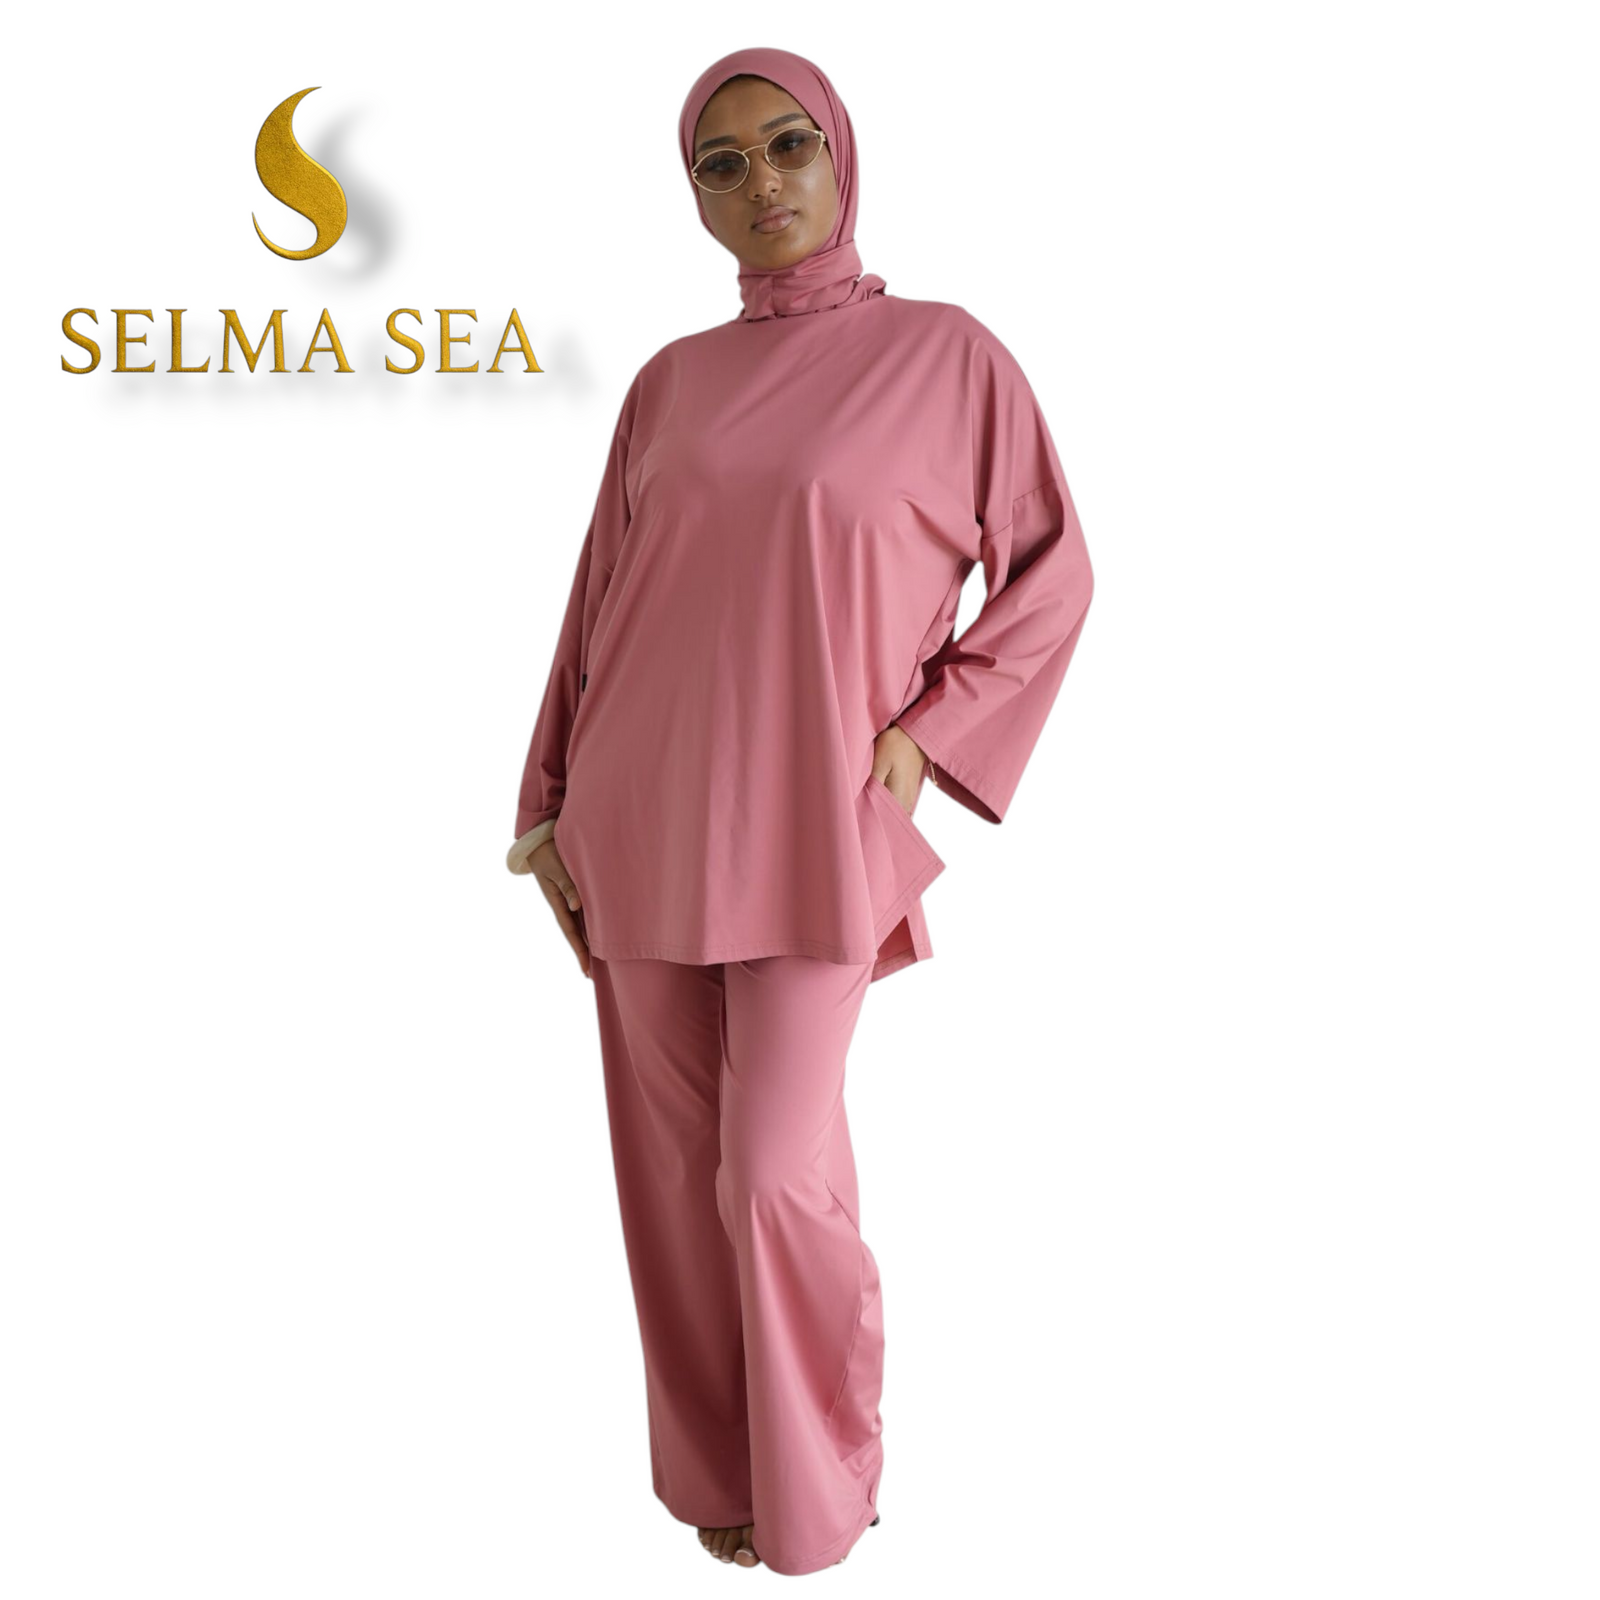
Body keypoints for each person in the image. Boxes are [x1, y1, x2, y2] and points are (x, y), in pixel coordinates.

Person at [506, 46, 1094, 1575]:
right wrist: (545, 803)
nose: (760, 183)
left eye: (785, 146)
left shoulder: (947, 357)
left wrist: (928, 739)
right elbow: (599, 604)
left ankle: (826, 1475)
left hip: (815, 818)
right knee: (671, 1184)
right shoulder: (669, 384)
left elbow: (1051, 571)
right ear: (695, 198)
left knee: (772, 1172)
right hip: (639, 815)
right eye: (722, 165)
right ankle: (721, 1468)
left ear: (839, 153)